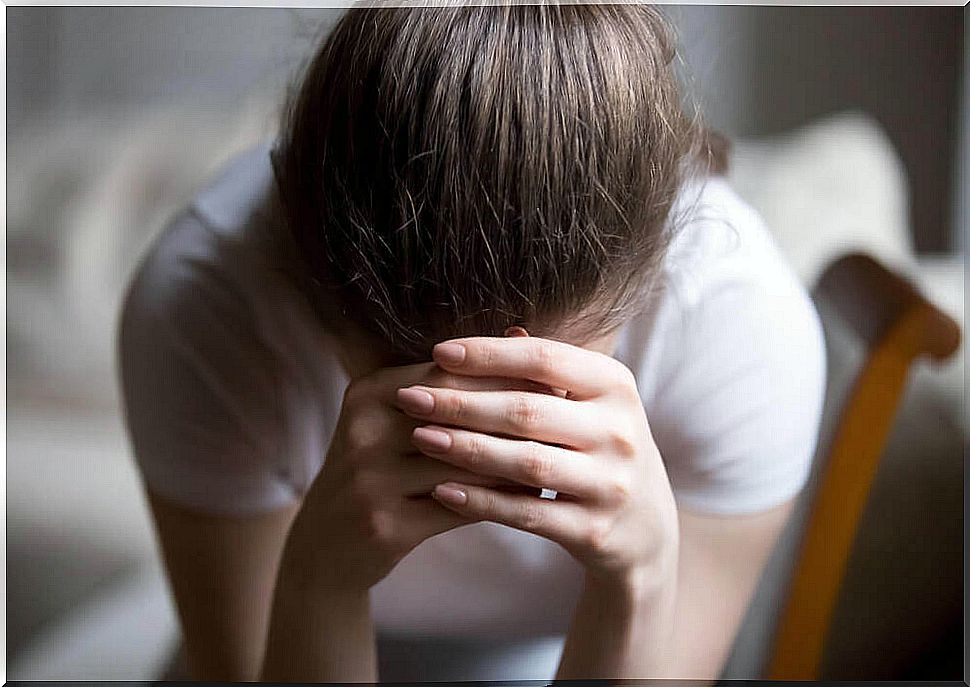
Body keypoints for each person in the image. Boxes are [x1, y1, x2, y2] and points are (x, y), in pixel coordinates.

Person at [118, 4, 826, 683]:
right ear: (314, 294)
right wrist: (319, 577)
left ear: (641, 292)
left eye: (535, 391)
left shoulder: (743, 329)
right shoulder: (204, 306)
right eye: (407, 395)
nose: (475, 455)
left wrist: (640, 577)